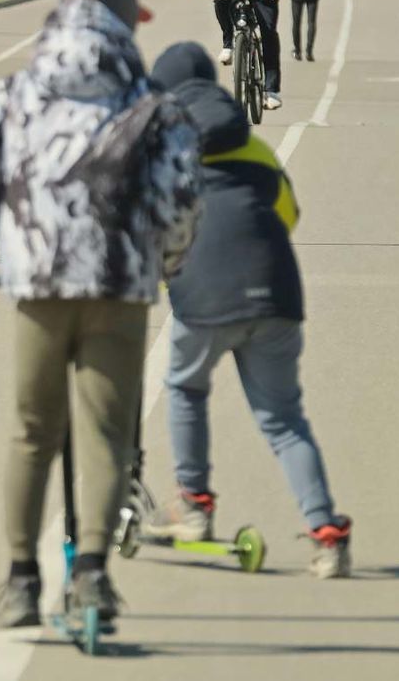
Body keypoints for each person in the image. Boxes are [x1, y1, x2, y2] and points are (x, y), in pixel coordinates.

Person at [0, 0, 201, 630]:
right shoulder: (154, 104)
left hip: (40, 282)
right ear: (123, 23)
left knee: (32, 430)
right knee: (106, 435)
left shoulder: (16, 91)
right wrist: (165, 262)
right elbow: (180, 200)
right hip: (121, 284)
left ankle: (22, 580)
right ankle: (91, 577)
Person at [145, 41, 352, 580]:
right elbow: (288, 213)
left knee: (188, 390)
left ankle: (193, 505)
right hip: (275, 289)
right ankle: (326, 534)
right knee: (284, 420)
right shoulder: (254, 146)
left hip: (203, 293)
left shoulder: (163, 148)